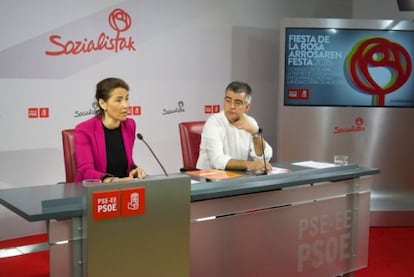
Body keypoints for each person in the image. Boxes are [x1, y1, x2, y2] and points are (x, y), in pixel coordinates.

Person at [74, 77, 146, 183]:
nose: (126, 105)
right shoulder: (84, 130)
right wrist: (110, 181)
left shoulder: (129, 125)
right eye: (118, 100)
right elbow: (86, 171)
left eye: (126, 99)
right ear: (103, 104)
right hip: (94, 192)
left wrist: (135, 170)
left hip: (125, 189)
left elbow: (125, 163)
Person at [196, 81, 273, 172]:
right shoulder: (213, 123)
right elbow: (216, 161)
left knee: (275, 186)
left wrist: (255, 133)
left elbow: (264, 156)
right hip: (209, 179)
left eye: (237, 103)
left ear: (247, 107)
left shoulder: (250, 122)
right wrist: (249, 164)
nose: (231, 106)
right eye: (228, 100)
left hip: (237, 177)